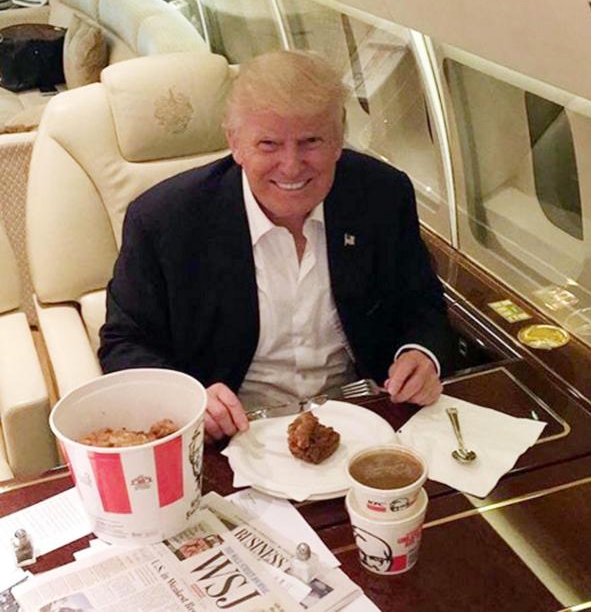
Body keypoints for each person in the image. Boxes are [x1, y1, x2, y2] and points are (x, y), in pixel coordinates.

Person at [98, 50, 455, 443]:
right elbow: (124, 344)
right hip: (231, 434)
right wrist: (189, 400)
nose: (291, 165)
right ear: (235, 143)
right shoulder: (163, 219)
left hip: (362, 421)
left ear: (338, 139)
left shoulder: (382, 195)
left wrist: (421, 354)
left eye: (311, 141)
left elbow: (422, 304)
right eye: (268, 144)